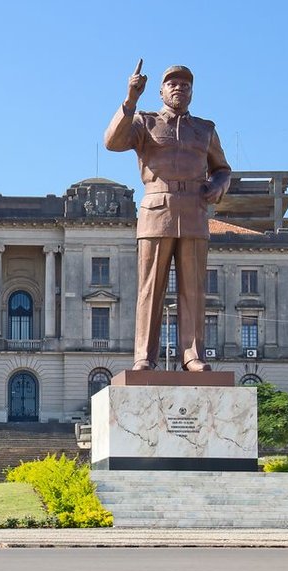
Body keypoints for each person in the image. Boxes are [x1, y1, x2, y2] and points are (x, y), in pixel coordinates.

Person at [104, 62, 231, 371]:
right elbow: (112, 142)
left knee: (193, 290)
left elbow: (222, 168)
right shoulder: (144, 122)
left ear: (192, 92)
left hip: (194, 210)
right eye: (172, 83)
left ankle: (192, 355)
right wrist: (130, 99)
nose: (179, 88)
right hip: (156, 209)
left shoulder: (205, 129)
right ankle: (144, 356)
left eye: (185, 84)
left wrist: (218, 184)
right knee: (151, 288)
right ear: (160, 91)